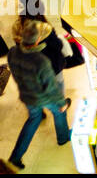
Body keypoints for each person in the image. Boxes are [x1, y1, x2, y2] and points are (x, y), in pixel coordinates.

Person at [6, 19, 70, 169]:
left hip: (27, 96)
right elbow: (52, 88)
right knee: (60, 113)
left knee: (32, 120)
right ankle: (63, 138)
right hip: (44, 97)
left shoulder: (13, 52)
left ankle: (15, 158)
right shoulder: (41, 61)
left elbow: (16, 75)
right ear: (37, 41)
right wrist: (61, 104)